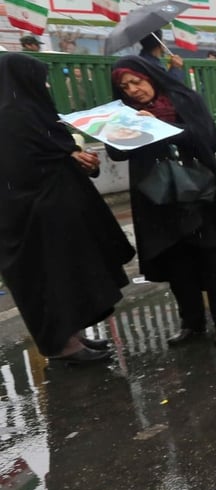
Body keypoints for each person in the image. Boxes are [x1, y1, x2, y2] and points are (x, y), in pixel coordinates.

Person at [0, 53, 135, 363]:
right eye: (40, 78)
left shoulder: (29, 112)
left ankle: (72, 335)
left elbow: (54, 152)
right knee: (49, 281)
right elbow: (20, 169)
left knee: (68, 276)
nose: (46, 83)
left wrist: (75, 159)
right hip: (30, 222)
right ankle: (63, 347)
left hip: (51, 216)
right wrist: (66, 158)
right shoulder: (11, 117)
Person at [108, 56, 216, 346]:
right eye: (125, 86)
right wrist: (123, 130)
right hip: (157, 199)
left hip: (199, 194)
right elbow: (117, 154)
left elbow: (208, 139)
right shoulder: (125, 114)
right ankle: (191, 322)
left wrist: (160, 125)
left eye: (137, 81)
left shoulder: (184, 99)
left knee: (212, 256)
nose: (133, 90)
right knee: (177, 262)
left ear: (150, 76)